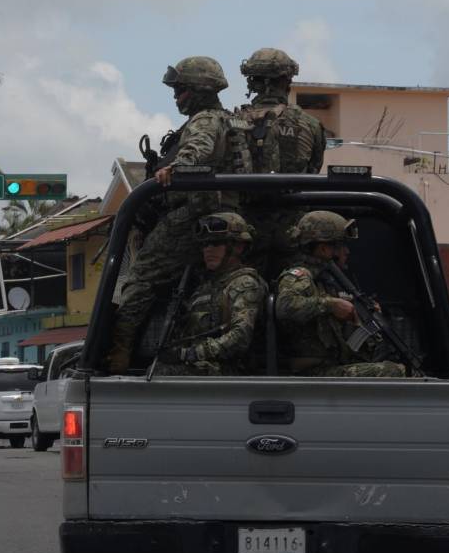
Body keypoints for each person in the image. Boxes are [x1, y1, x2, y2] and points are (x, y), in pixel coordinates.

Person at [107, 56, 251, 374]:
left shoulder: (204, 121)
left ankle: (117, 358)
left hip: (196, 216)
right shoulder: (229, 119)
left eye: (182, 89)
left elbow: (197, 149)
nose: (176, 96)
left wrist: (177, 167)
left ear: (199, 90)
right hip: (224, 215)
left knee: (139, 281)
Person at [275, 211, 405, 377]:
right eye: (341, 245)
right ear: (323, 248)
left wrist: (360, 319)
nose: (347, 252)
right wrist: (331, 305)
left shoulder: (325, 281)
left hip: (328, 368)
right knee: (395, 372)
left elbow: (350, 347)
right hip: (311, 373)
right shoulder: (301, 276)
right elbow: (285, 306)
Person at [236, 48, 328, 280]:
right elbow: (313, 168)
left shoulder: (232, 122)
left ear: (252, 82)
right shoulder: (310, 124)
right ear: (286, 81)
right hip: (294, 230)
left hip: (244, 231)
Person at [155, 213, 266, 376]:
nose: (208, 249)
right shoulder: (205, 287)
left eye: (216, 243)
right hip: (204, 369)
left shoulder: (244, 283)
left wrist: (190, 354)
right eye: (205, 244)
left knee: (162, 373)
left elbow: (240, 338)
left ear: (238, 246)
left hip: (232, 372)